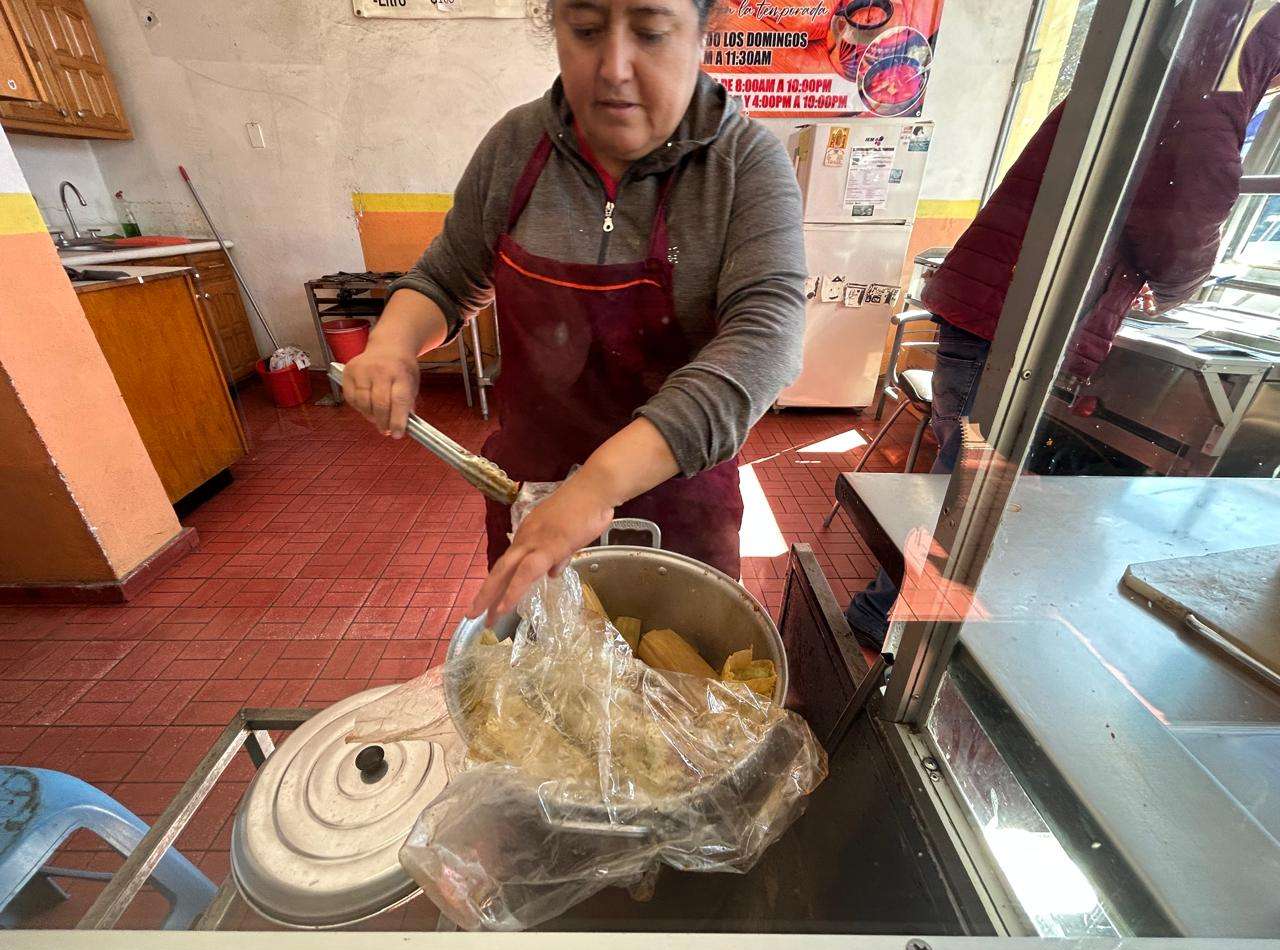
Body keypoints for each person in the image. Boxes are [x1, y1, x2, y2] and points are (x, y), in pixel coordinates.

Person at [342, 0, 806, 621]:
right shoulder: (515, 147)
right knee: (535, 666)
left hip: (677, 503)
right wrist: (394, 343)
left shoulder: (743, 166)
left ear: (704, 33)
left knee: (676, 672)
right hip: (531, 497)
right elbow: (447, 277)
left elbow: (765, 342)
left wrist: (596, 485)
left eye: (650, 33)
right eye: (585, 30)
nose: (613, 67)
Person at [845, 3, 1280, 649]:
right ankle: (887, 617)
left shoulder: (1167, 45)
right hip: (1014, 321)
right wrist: (1178, 286)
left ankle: (894, 615)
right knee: (969, 490)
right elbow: (1186, 202)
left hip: (998, 309)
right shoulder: (1223, 50)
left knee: (962, 482)